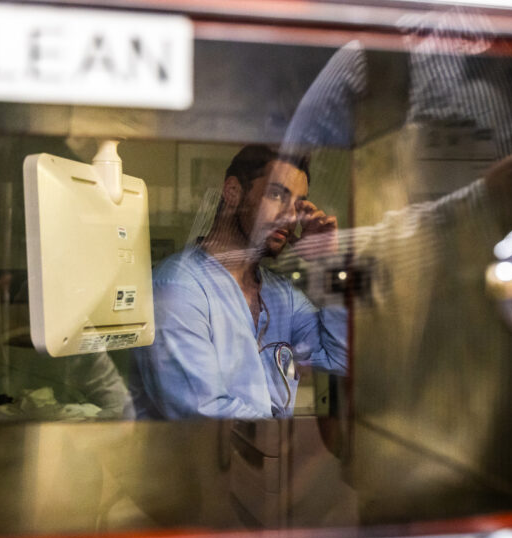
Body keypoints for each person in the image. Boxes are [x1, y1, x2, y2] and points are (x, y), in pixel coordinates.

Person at [130, 144, 348, 419]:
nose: (291, 216)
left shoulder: (281, 295)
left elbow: (341, 357)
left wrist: (330, 264)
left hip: (263, 456)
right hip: (197, 459)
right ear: (233, 192)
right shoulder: (178, 289)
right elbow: (207, 413)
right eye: (276, 195)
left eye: (298, 204)